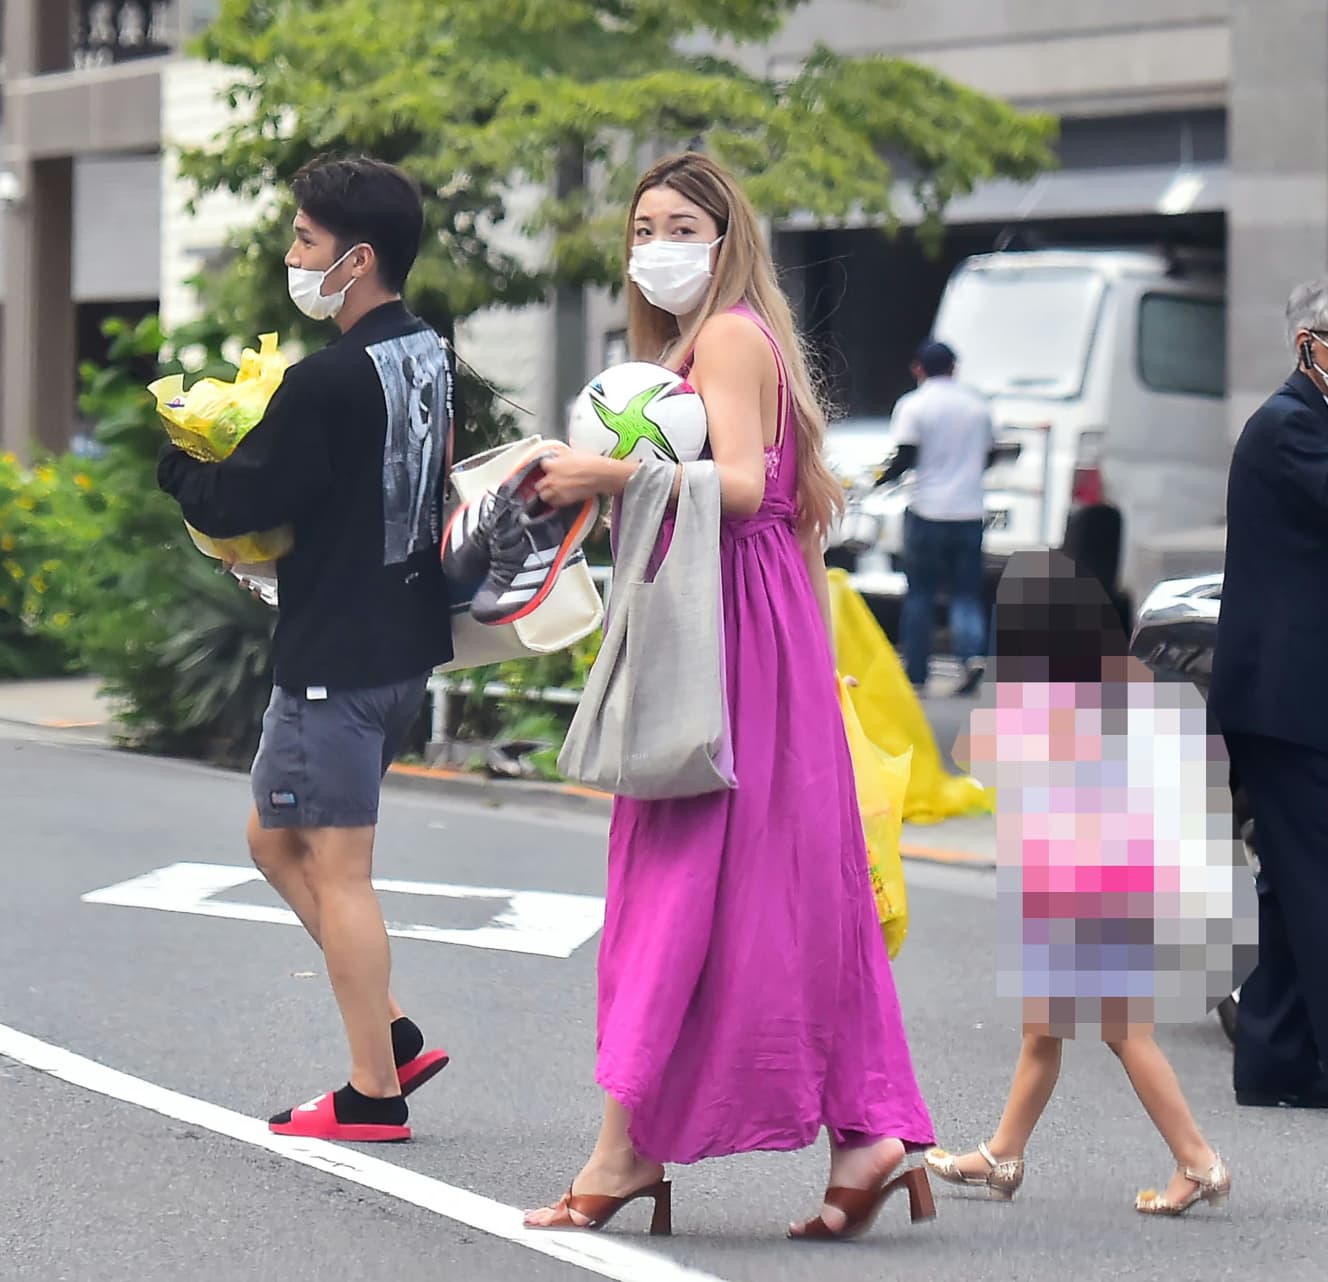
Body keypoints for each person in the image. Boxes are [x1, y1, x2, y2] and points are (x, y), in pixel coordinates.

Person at [520, 152, 936, 1240]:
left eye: (674, 224)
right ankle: (865, 1135)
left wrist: (603, 473)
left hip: (733, 636)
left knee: (684, 885)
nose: (651, 244)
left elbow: (747, 487)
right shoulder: (700, 344)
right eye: (638, 226)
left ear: (721, 235)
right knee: (780, 891)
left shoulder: (728, 337)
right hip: (742, 626)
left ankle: (625, 1150)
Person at [157, 155, 454, 1141]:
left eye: (304, 241)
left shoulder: (327, 380)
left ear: (355, 258)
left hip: (335, 651)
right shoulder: (423, 354)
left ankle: (374, 1089)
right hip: (402, 640)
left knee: (337, 867)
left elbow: (249, 497)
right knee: (270, 838)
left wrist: (184, 468)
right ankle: (396, 1031)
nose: (292, 255)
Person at [925, 550, 1234, 1216]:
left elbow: (975, 760)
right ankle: (1004, 1153)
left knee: (1123, 1032)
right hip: (1105, 886)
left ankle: (1199, 1160)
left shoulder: (1050, 704)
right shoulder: (1120, 691)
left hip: (1079, 896)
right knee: (1043, 1031)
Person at [1210, 278, 1328, 1109]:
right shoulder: (1289, 428)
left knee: (1294, 885)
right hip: (1290, 704)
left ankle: (1276, 1061)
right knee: (1316, 880)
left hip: (1293, 700)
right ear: (1308, 346)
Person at [879, 340, 993, 695]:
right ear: (955, 368)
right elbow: (989, 455)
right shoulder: (978, 406)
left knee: (921, 593)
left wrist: (880, 480)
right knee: (966, 593)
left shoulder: (914, 406)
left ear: (918, 369)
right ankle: (971, 655)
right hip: (969, 511)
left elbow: (906, 457)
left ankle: (916, 671)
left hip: (927, 510)